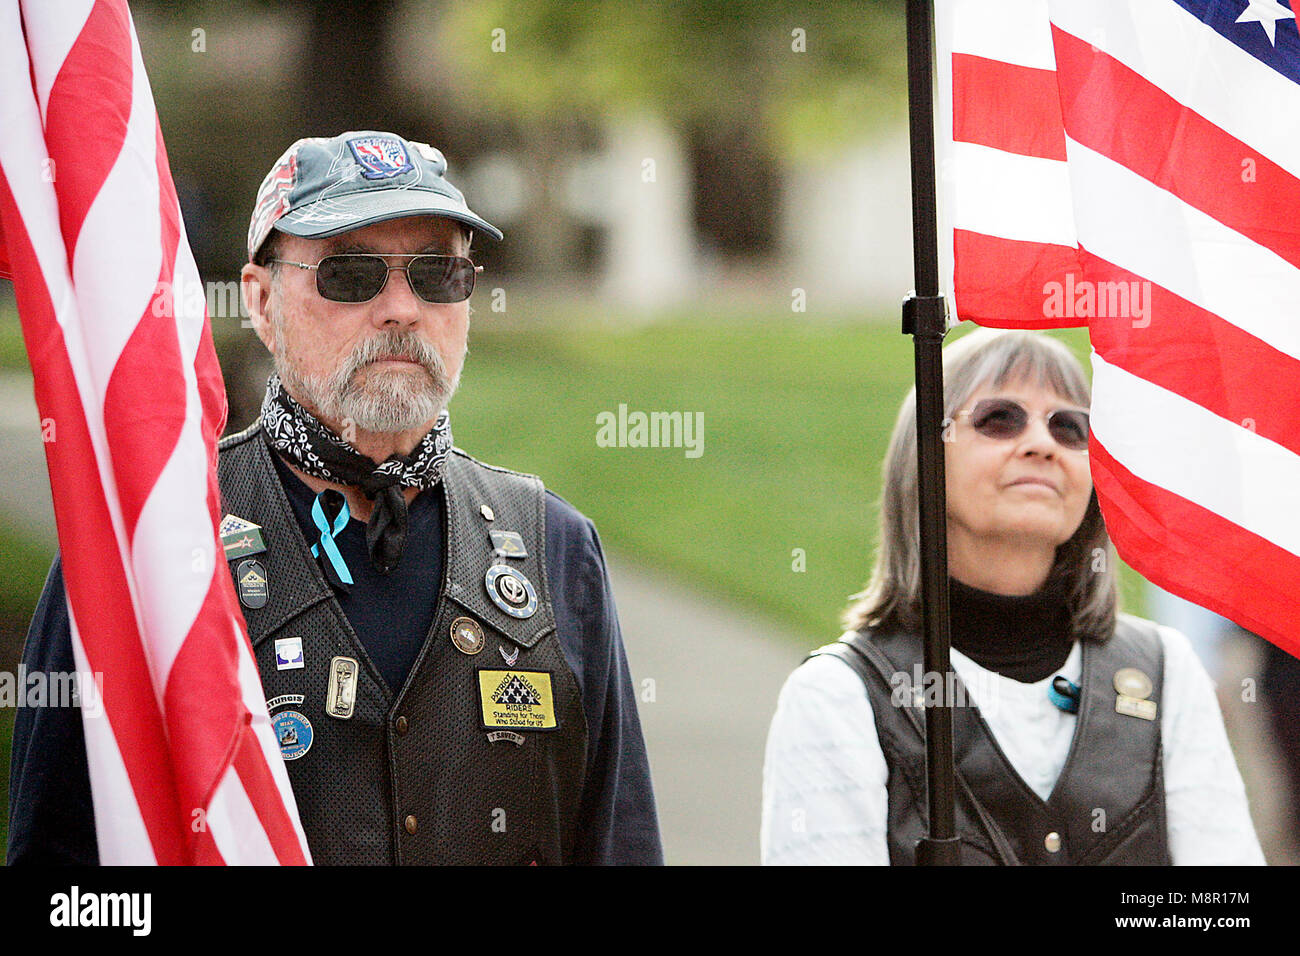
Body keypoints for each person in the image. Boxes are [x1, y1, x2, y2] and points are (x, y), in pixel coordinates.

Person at [9, 130, 663, 866]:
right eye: (350, 274)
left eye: (437, 274)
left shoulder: (556, 548)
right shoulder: (150, 545)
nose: (401, 308)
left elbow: (621, 846)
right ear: (260, 301)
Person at [760, 328, 1264, 865]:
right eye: (999, 419)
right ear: (924, 457)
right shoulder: (840, 695)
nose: (1041, 444)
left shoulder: (1166, 671)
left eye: (1070, 429)